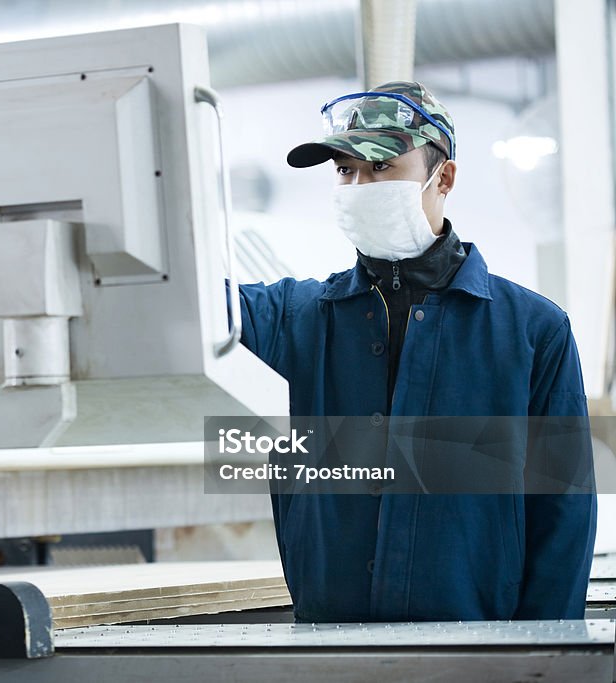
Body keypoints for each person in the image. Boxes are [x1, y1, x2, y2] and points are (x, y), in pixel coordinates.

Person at [236, 81, 596, 622]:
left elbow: (563, 513)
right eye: (345, 170)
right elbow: (184, 305)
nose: (359, 185)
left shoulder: (532, 330)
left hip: (479, 651)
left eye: (381, 168)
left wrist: (544, 657)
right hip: (328, 645)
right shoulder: (297, 316)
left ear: (443, 176)